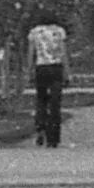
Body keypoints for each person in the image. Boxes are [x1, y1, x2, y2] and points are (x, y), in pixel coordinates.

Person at [26, 13, 70, 148]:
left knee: (41, 100)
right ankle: (53, 136)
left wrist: (29, 71)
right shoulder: (59, 31)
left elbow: (31, 53)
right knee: (55, 103)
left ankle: (40, 127)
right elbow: (63, 52)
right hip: (56, 68)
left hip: (41, 68)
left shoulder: (34, 32)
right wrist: (67, 72)